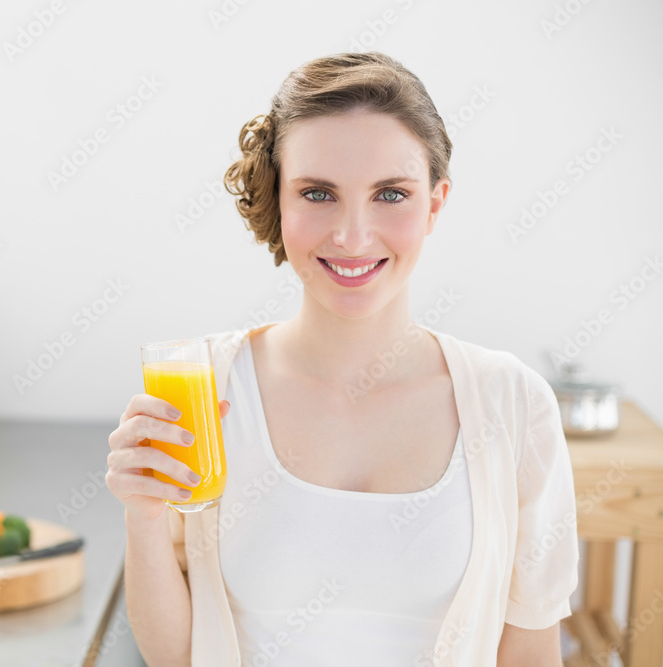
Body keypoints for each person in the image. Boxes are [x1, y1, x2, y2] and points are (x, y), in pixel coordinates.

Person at [106, 52, 578, 666]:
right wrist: (142, 514)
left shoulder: (512, 404)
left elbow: (531, 650)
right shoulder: (204, 389)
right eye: (319, 193)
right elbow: (178, 657)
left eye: (390, 193)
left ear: (435, 204)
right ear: (278, 198)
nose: (353, 236)